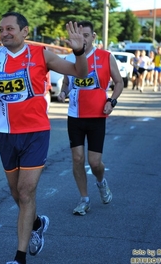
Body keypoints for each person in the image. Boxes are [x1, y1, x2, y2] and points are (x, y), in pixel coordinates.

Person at [0, 12, 88, 264]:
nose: (4, 33)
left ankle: (19, 257)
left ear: (25, 32)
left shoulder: (40, 54)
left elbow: (79, 72)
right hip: (5, 134)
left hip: (35, 133)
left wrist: (80, 52)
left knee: (25, 192)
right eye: (1, 29)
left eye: (10, 28)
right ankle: (36, 223)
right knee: (16, 193)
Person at [58, 20, 123, 217]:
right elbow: (67, 84)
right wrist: (62, 93)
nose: (82, 39)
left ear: (93, 37)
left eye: (86, 35)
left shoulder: (105, 57)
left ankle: (101, 182)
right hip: (75, 115)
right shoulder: (71, 58)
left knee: (94, 163)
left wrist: (111, 101)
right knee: (77, 159)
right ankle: (84, 199)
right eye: (78, 35)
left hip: (97, 116)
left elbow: (119, 82)